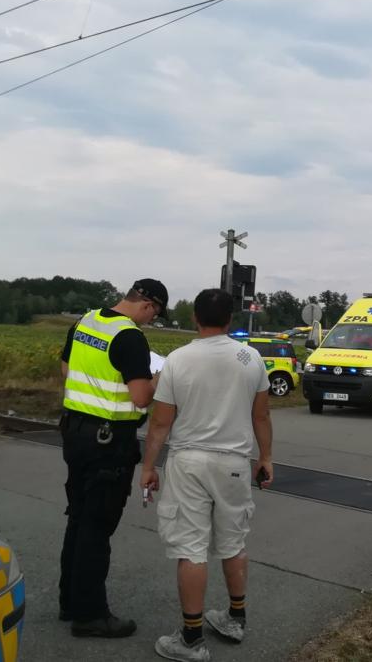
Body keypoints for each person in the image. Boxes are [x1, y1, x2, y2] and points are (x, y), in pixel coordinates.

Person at [140, 288, 274, 662]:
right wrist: (266, 457)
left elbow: (160, 423)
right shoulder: (252, 359)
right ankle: (235, 617)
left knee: (191, 547)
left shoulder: (178, 361)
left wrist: (149, 467)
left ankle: (192, 638)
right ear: (230, 319)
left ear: (196, 318)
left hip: (189, 462)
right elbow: (261, 416)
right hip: (234, 463)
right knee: (233, 542)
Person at [58, 278, 166, 639]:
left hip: (74, 431)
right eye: (155, 314)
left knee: (77, 516)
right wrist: (159, 379)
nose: (151, 321)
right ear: (148, 305)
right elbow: (140, 397)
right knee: (97, 525)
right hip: (109, 442)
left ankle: (70, 600)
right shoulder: (130, 336)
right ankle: (90, 614)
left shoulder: (86, 321)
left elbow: (66, 369)